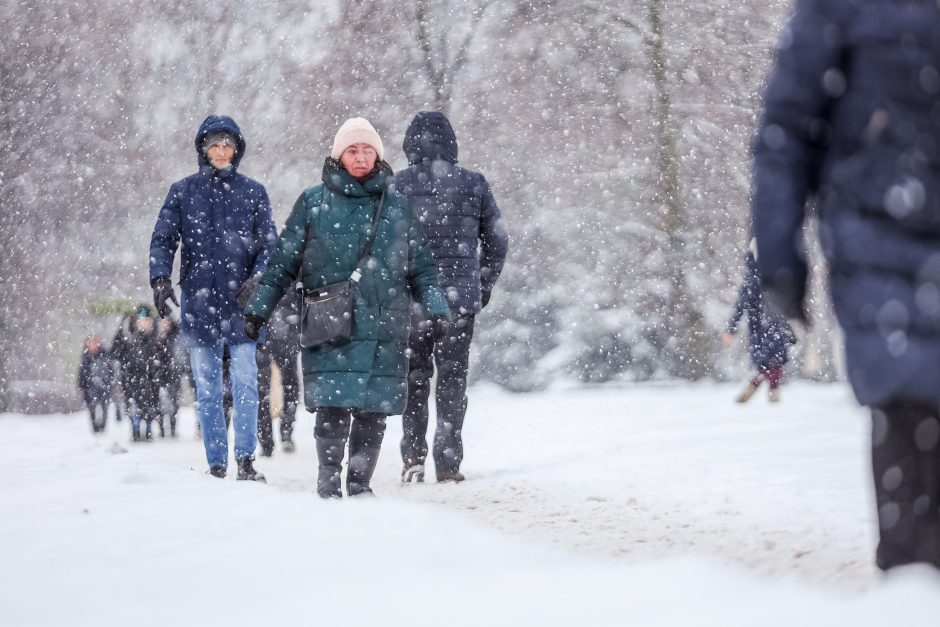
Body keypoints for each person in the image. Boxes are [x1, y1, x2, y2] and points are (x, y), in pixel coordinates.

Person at [750, 0, 940, 570]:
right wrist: (779, 254)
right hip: (884, 245)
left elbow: (785, 131)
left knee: (909, 416)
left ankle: (912, 584)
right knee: (911, 407)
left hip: (877, 240)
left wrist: (780, 254)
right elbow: (786, 132)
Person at [245, 117, 450, 498]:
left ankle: (359, 485)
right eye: (352, 150)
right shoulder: (313, 202)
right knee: (333, 406)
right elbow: (282, 264)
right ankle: (327, 482)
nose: (360, 157)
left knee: (373, 409)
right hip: (331, 323)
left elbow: (422, 267)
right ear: (339, 155)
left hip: (385, 325)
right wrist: (259, 309)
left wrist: (437, 308)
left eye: (367, 150)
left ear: (378, 155)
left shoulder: (397, 207)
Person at [149, 115, 276, 481]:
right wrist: (160, 278)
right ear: (203, 150)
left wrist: (259, 277)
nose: (222, 151)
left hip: (243, 307)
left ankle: (246, 460)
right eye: (215, 145)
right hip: (201, 305)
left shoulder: (253, 192)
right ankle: (217, 463)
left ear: (237, 149)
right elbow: (163, 238)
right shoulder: (183, 192)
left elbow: (270, 245)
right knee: (206, 389)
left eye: (228, 145)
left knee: (246, 383)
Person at [394, 111, 509, 483]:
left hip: (413, 301)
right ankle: (448, 463)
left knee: (414, 379)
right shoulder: (473, 183)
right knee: (452, 381)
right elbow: (497, 239)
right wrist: (483, 282)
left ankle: (413, 459)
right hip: (458, 303)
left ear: (410, 144)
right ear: (452, 143)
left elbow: (382, 246)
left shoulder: (397, 186)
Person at [722, 240, 795, 404]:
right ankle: (768, 391)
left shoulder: (766, 275)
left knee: (772, 364)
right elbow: (741, 306)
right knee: (773, 364)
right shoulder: (759, 278)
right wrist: (731, 328)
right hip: (765, 328)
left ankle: (762, 389)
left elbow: (742, 306)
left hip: (767, 328)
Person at [256, 290, 301, 455]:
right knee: (290, 387)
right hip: (286, 333)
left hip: (266, 334)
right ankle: (285, 433)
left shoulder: (260, 271)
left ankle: (267, 440)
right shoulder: (293, 273)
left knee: (263, 391)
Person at [77, 334, 113, 433]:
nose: (93, 344)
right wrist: (81, 386)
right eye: (91, 342)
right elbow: (82, 373)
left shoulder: (105, 355)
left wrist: (110, 383)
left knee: (104, 407)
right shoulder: (86, 358)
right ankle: (95, 428)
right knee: (91, 408)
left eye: (95, 342)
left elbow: (110, 370)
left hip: (104, 386)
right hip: (90, 387)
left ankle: (102, 427)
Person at [155, 317, 183, 437]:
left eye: (167, 322)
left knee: (174, 401)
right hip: (159, 374)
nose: (165, 325)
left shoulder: (176, 338)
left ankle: (172, 427)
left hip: (173, 374)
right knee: (159, 402)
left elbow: (179, 355)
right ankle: (161, 428)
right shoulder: (156, 337)